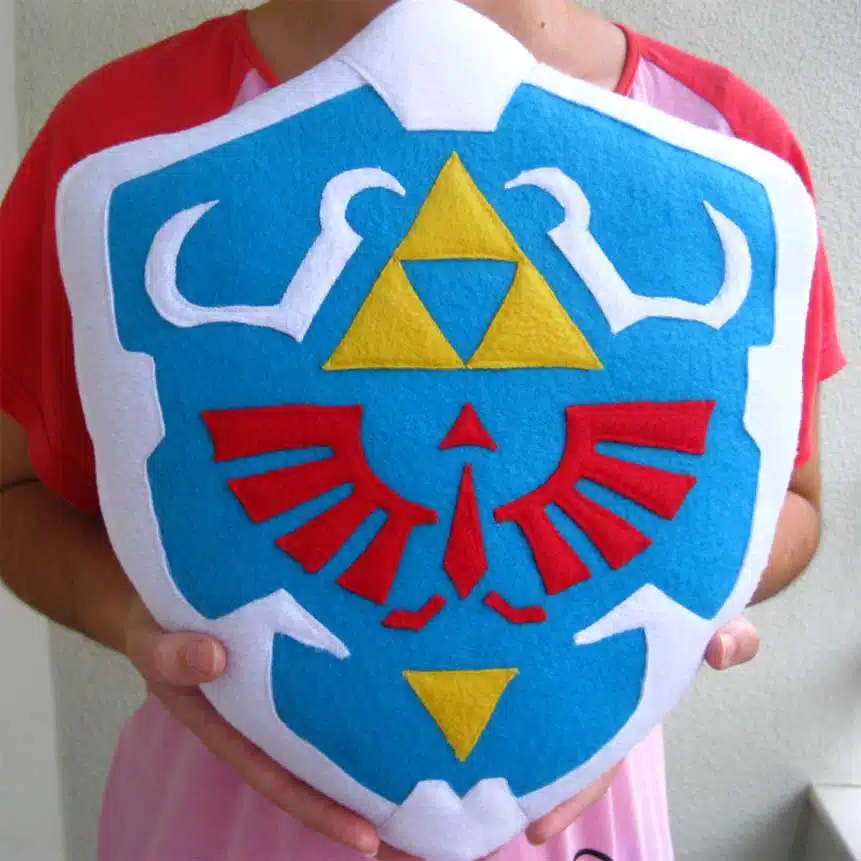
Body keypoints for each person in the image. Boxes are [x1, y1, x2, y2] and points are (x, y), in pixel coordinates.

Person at [0, 1, 844, 859]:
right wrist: (133, 617)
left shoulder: (723, 147)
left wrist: (705, 592)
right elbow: (14, 490)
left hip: (572, 810)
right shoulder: (126, 143)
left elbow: (793, 502)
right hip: (224, 816)